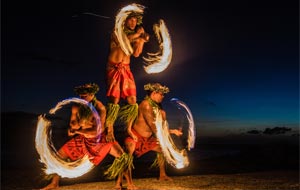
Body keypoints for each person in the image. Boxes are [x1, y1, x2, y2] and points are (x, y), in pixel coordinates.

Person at [39, 83, 134, 190]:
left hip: (100, 141)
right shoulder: (76, 107)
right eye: (81, 95)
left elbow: (98, 130)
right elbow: (73, 123)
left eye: (86, 94)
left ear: (93, 94)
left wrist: (78, 131)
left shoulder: (99, 107)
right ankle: (54, 183)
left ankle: (130, 184)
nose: (83, 96)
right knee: (60, 154)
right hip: (83, 139)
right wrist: (71, 128)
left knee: (122, 157)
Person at [120, 83, 183, 184]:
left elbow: (162, 127)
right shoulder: (146, 105)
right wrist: (170, 134)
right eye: (161, 94)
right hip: (136, 136)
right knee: (127, 155)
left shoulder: (159, 109)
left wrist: (173, 131)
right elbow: (154, 127)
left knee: (161, 150)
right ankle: (125, 181)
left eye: (163, 94)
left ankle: (162, 175)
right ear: (154, 93)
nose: (163, 96)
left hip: (148, 138)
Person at [105, 11, 150, 143]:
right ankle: (110, 129)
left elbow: (136, 54)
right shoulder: (117, 31)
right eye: (131, 20)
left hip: (126, 69)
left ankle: (129, 128)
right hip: (114, 68)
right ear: (124, 20)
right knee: (114, 100)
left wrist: (142, 40)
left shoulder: (135, 36)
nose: (133, 23)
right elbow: (123, 41)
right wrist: (139, 34)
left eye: (135, 21)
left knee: (132, 100)